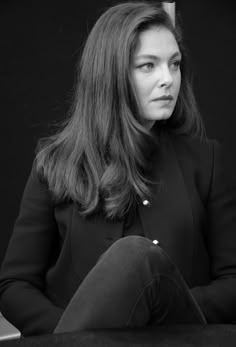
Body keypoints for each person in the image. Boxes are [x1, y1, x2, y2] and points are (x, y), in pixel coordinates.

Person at [0, 1, 236, 337]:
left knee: (137, 256)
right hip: (75, 340)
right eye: (147, 66)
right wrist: (74, 336)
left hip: (180, 339)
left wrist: (164, 307)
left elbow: (233, 281)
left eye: (174, 64)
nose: (168, 79)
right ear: (111, 74)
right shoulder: (54, 165)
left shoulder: (207, 160)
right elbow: (14, 286)